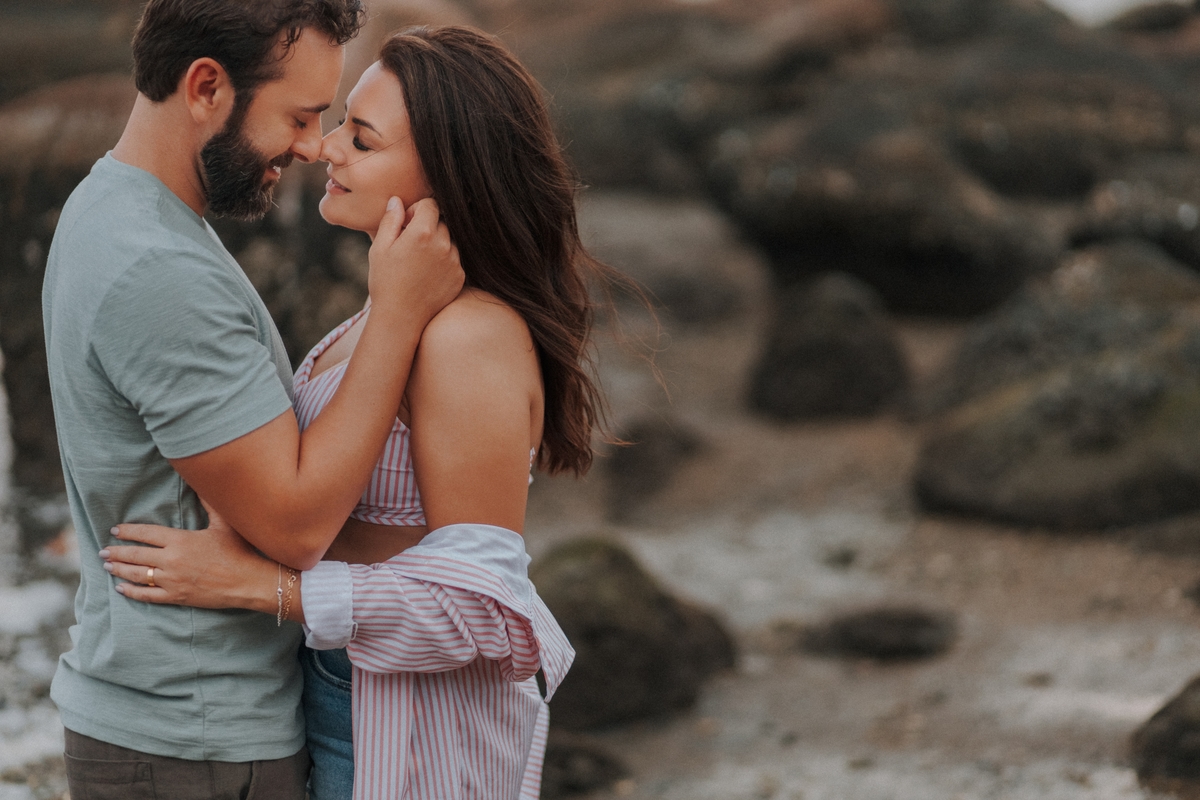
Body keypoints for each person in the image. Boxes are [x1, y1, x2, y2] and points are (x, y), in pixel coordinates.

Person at [99, 24, 613, 800]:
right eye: (341, 123)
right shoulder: (389, 314)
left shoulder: (467, 337)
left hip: (410, 732)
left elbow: (486, 610)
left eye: (362, 140)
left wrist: (261, 589)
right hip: (341, 693)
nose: (326, 149)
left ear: (450, 176)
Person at [41, 2, 464, 798]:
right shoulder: (156, 269)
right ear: (206, 86)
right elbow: (298, 524)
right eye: (299, 116)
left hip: (173, 725)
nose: (312, 147)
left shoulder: (120, 211)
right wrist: (400, 314)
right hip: (195, 739)